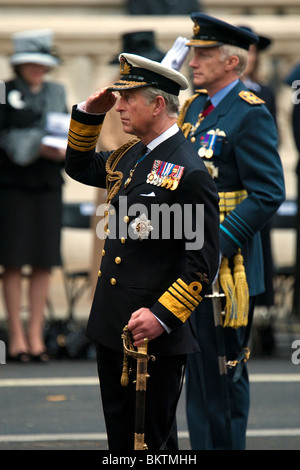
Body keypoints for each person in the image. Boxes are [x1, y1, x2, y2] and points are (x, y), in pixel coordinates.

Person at [65, 53, 220, 450]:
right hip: (112, 325)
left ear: (156, 104)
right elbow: (79, 167)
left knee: (151, 444)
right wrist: (87, 114)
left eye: (128, 98)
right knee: (121, 442)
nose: (119, 106)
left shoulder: (189, 171)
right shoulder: (132, 154)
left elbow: (201, 267)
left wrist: (162, 317)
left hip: (150, 334)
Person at [175, 13, 285, 449]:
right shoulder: (196, 107)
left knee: (223, 374)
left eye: (203, 54)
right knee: (197, 376)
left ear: (232, 63)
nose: (193, 60)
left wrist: (216, 244)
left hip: (226, 267)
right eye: (194, 52)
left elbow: (268, 192)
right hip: (190, 258)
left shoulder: (249, 112)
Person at [0, 29, 68, 362]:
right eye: (31, 63)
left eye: (43, 63)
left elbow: (69, 130)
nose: (38, 69)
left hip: (48, 185)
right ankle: (15, 336)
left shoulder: (58, 91)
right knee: (12, 260)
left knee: (43, 261)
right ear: (20, 64)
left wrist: (64, 150)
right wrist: (33, 144)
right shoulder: (3, 91)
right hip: (11, 186)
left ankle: (36, 336)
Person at [90, 31, 165, 295]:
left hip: (153, 187)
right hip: (116, 186)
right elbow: (106, 143)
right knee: (109, 261)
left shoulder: (158, 95)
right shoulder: (109, 94)